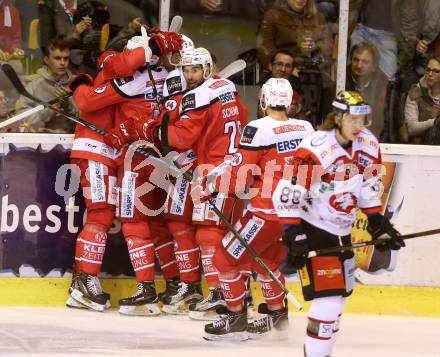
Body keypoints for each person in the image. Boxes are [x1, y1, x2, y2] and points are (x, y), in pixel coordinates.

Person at [111, 47, 249, 315]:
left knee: (208, 233)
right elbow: (239, 118)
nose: (190, 75)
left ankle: (221, 294)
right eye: (185, 70)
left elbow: (180, 138)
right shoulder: (228, 90)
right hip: (232, 167)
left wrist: (149, 128)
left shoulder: (198, 97)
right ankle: (227, 290)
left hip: (213, 172)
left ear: (207, 69)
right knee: (217, 231)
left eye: (195, 69)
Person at [271, 90, 405, 356]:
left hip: (343, 232)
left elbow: (368, 186)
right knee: (329, 301)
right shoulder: (317, 147)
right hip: (314, 229)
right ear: (337, 118)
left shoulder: (368, 144)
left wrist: (377, 222)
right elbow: (288, 189)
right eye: (352, 120)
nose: (358, 126)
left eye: (362, 119)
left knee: (339, 301)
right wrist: (293, 232)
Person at [67, 29, 184, 313]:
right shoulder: (115, 65)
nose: (150, 63)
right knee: (100, 213)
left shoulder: (146, 79)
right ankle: (84, 281)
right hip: (94, 149)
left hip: (114, 153)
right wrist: (151, 48)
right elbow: (89, 98)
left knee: (106, 214)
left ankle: (84, 279)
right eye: (146, 57)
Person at [200, 78, 314, 341]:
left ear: (264, 100)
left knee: (223, 259)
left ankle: (236, 319)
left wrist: (211, 187)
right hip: (295, 215)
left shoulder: (256, 129)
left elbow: (238, 179)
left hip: (266, 214)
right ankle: (277, 318)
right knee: (268, 264)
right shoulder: (305, 127)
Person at [19, 37, 76, 133]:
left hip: (70, 141)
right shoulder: (33, 86)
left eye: (66, 58)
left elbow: (86, 121)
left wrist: (67, 106)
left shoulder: (77, 84)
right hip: (41, 141)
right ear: (46, 60)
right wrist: (51, 110)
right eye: (57, 58)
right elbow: (23, 120)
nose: (62, 63)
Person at [346, 42, 388, 138]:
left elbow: (388, 124)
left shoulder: (384, 87)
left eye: (365, 62)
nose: (359, 65)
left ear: (374, 66)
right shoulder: (341, 83)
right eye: (356, 60)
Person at [258, 50, 306, 119]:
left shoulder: (298, 92)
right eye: (279, 64)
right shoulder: (259, 88)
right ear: (270, 66)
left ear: (292, 69)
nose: (283, 69)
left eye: (288, 66)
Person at [405, 56, 440, 144]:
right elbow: (411, 128)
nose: (430, 74)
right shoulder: (415, 92)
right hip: (420, 147)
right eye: (428, 70)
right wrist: (433, 122)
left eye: (436, 71)